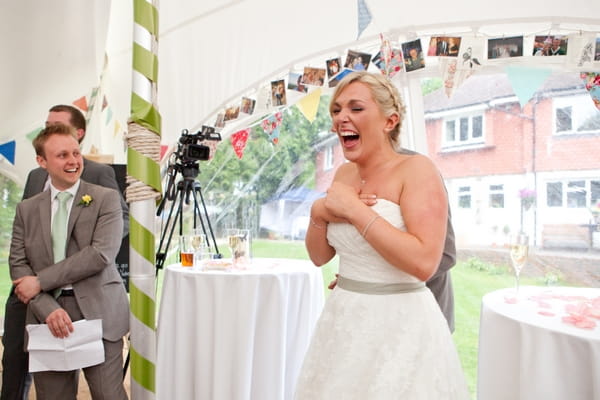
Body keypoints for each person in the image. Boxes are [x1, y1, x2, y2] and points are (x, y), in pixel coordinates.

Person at [294, 71, 469, 399]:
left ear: (390, 121)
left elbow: (425, 262)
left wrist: (356, 210)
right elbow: (320, 257)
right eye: (336, 110)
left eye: (356, 109)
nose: (341, 117)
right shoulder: (344, 173)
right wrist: (318, 212)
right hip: (344, 321)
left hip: (399, 327)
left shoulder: (418, 171)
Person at [1, 104, 129, 400]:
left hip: (99, 311)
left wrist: (40, 281)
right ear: (41, 162)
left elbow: (100, 254)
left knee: (109, 395)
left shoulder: (105, 199)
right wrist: (46, 305)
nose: (73, 161)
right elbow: (18, 263)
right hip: (46, 313)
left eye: (75, 153)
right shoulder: (27, 209)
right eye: (62, 155)